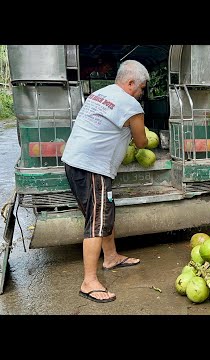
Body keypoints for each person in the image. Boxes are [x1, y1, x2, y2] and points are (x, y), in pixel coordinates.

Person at [61, 59, 150, 302]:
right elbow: (142, 142)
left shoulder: (101, 94)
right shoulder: (131, 105)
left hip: (74, 161)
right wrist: (136, 137)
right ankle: (89, 282)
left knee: (102, 212)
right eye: (141, 88)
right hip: (92, 167)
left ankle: (110, 257)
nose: (141, 93)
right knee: (98, 220)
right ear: (130, 83)